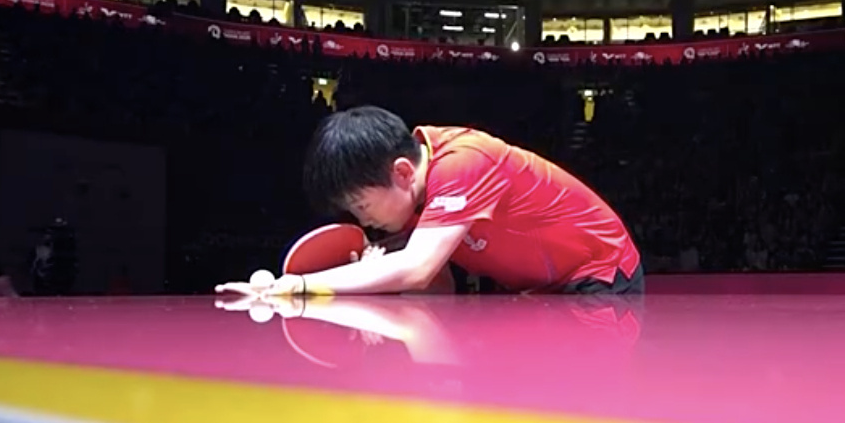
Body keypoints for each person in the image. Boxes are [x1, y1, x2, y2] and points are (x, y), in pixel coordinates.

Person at [219, 106, 642, 299]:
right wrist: (374, 271)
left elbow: (418, 270)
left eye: (362, 205)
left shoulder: (464, 162)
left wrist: (299, 285)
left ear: (402, 172)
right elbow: (438, 288)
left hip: (598, 275)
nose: (363, 220)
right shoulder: (413, 202)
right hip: (540, 289)